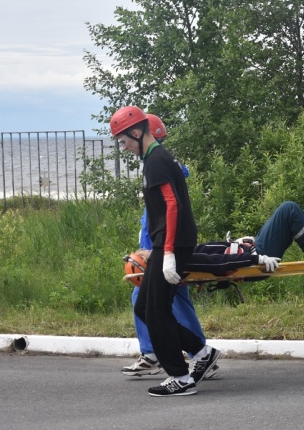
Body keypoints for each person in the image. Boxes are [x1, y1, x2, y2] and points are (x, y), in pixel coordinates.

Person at [110, 105, 219, 397]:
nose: (125, 147)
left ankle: (180, 378)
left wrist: (168, 253)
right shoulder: (155, 158)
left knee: (156, 312)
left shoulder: (156, 160)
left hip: (171, 244)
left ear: (136, 131)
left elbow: (172, 205)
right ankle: (201, 351)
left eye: (124, 141)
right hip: (167, 243)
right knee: (144, 307)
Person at [186, 200, 304, 275]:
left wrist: (237, 243)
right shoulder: (182, 256)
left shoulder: (185, 250)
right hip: (255, 257)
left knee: (286, 212)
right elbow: (217, 261)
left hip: (251, 251)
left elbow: (215, 252)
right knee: (288, 209)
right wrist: (257, 259)